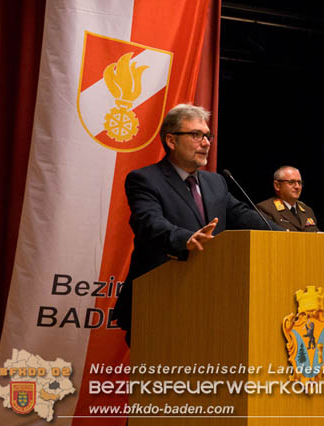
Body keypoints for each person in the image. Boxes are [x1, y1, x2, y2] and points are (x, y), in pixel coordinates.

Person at [112, 104, 281, 345]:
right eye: (196, 135)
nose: (206, 142)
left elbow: (243, 215)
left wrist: (286, 234)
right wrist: (186, 239)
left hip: (210, 301)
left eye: (207, 136)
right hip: (160, 299)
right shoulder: (145, 180)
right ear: (171, 140)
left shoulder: (216, 182)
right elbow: (150, 223)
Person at [256, 166, 319, 232]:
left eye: (299, 182)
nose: (297, 186)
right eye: (291, 182)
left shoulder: (307, 211)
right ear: (277, 185)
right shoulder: (266, 209)